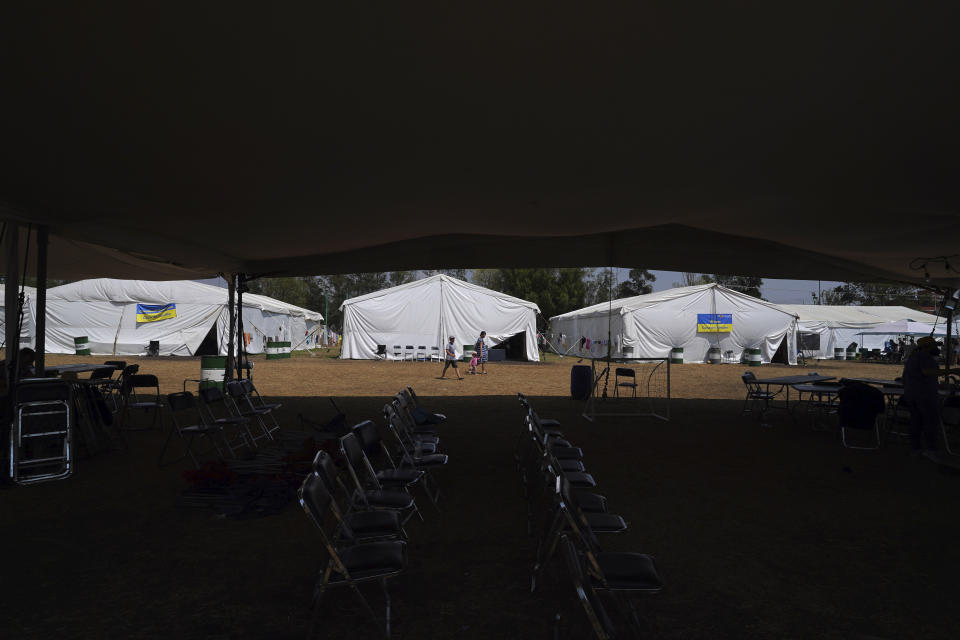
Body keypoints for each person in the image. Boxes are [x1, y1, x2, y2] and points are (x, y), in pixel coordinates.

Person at [900, 336, 959, 456]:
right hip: (924, 395)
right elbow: (928, 372)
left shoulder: (913, 358)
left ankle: (916, 448)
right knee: (930, 422)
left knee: (916, 422)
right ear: (927, 347)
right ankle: (931, 450)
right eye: (934, 345)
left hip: (912, 394)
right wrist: (952, 371)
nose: (936, 348)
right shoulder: (924, 357)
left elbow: (907, 378)